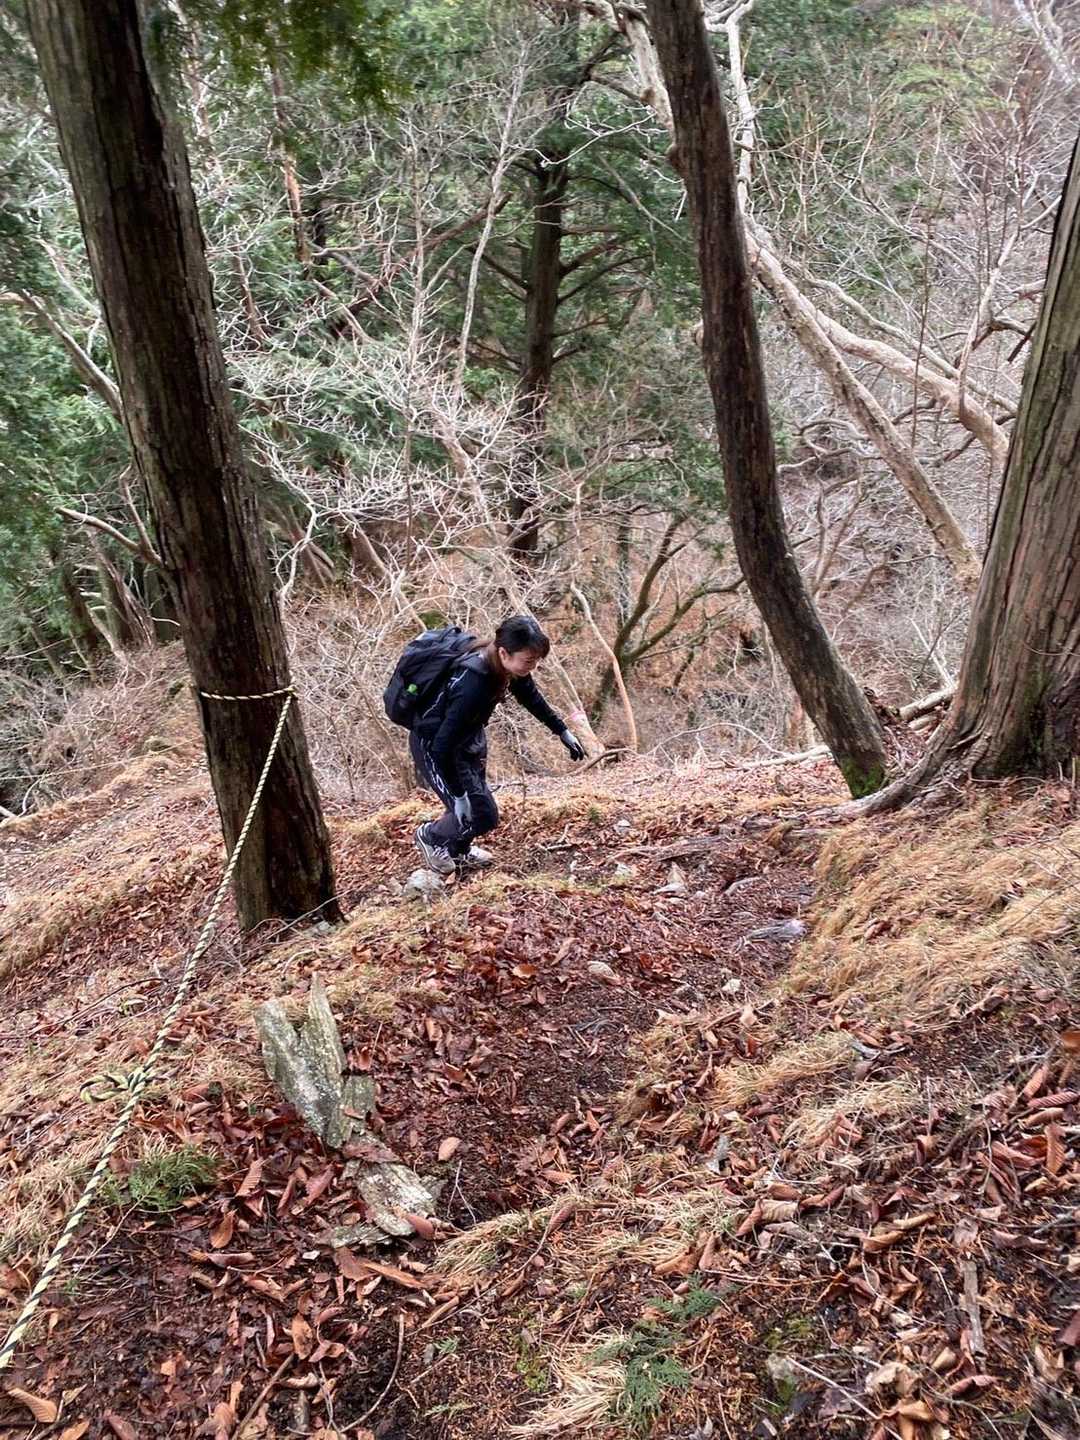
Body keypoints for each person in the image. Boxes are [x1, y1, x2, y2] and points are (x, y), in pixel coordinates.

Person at [411, 615, 586, 874]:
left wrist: (562, 731)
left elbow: (530, 696)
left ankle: (459, 851)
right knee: (479, 813)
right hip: (435, 748)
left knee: (479, 809)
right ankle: (430, 836)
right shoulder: (472, 683)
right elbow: (441, 747)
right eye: (529, 661)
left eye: (536, 660)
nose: (533, 666)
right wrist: (458, 796)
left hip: (468, 739)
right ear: (504, 653)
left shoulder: (505, 666)